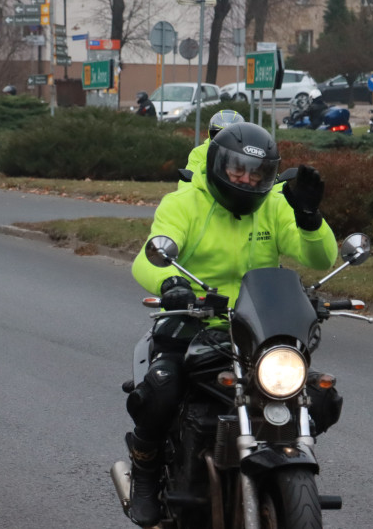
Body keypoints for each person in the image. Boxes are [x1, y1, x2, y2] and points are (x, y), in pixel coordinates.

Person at [125, 122, 339, 527]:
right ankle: (146, 471)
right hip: (191, 319)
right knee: (162, 387)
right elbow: (149, 256)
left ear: (269, 175)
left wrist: (309, 218)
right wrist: (170, 283)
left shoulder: (274, 205)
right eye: (238, 169)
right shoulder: (185, 204)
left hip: (258, 328)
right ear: (219, 165)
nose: (246, 178)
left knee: (321, 397)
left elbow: (319, 259)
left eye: (256, 172)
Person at [182, 109, 244, 178]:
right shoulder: (199, 152)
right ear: (210, 133)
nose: (224, 139)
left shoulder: (247, 153)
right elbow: (188, 182)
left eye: (231, 135)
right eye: (218, 134)